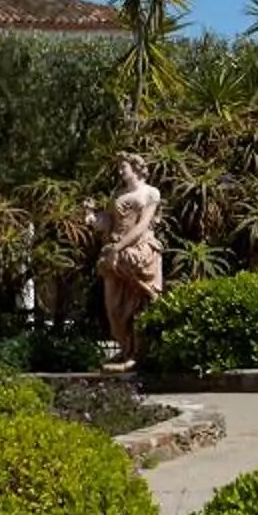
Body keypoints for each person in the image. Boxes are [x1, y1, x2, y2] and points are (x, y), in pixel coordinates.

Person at [93, 152, 164, 369]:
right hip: (115, 254)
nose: (120, 171)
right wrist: (94, 219)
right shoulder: (118, 194)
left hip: (139, 252)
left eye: (123, 167)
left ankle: (136, 354)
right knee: (114, 308)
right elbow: (109, 221)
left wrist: (119, 247)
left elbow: (142, 225)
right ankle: (124, 349)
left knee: (139, 306)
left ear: (136, 168)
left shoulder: (150, 193)